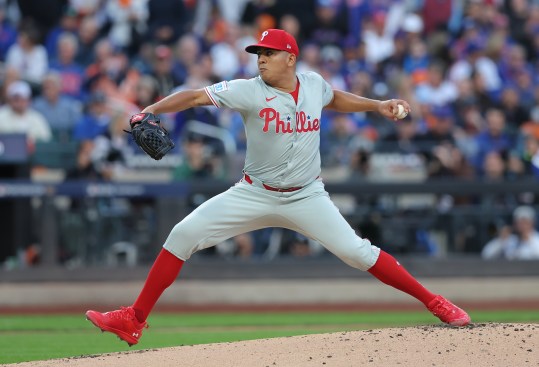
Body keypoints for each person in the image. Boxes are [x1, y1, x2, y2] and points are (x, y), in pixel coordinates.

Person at [86, 29, 470, 346]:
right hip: (254, 192)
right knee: (183, 233)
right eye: (258, 53)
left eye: (269, 52)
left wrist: (377, 105)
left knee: (357, 252)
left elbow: (334, 98)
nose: (261, 58)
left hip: (307, 196)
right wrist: (151, 111)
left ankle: (435, 302)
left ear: (291, 58)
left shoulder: (315, 84)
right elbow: (194, 95)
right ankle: (133, 319)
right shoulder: (249, 90)